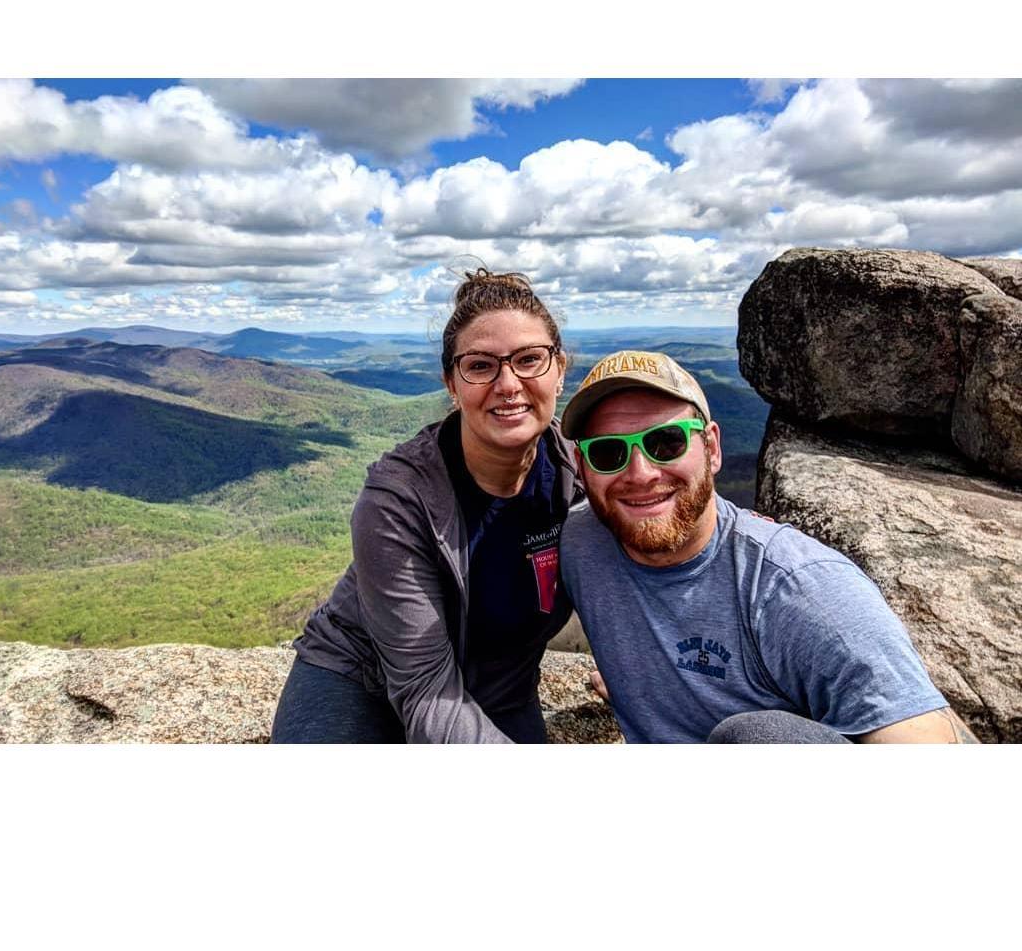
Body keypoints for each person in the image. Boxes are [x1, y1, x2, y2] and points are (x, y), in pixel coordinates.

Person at [558, 349, 979, 744]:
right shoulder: (581, 541)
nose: (641, 473)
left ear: (712, 448)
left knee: (758, 736)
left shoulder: (799, 588)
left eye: (667, 442)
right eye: (608, 452)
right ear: (583, 468)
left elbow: (925, 739)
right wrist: (638, 679)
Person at [271, 270, 579, 743]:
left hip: (500, 687)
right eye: (480, 366)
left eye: (529, 360)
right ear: (452, 385)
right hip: (361, 680)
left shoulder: (584, 473)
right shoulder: (398, 500)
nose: (508, 383)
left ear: (560, 369)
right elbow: (424, 689)